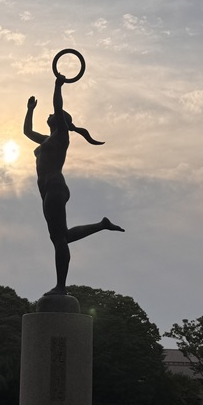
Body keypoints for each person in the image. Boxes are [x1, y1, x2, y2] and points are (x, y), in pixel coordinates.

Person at [24, 73, 124, 296]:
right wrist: (29, 110)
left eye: (54, 115)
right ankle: (101, 225)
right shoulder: (47, 139)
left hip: (55, 187)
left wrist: (58, 85)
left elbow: (57, 108)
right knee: (61, 237)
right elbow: (27, 132)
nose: (50, 114)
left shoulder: (61, 136)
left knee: (59, 239)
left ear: (61, 121)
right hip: (46, 190)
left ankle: (61, 286)